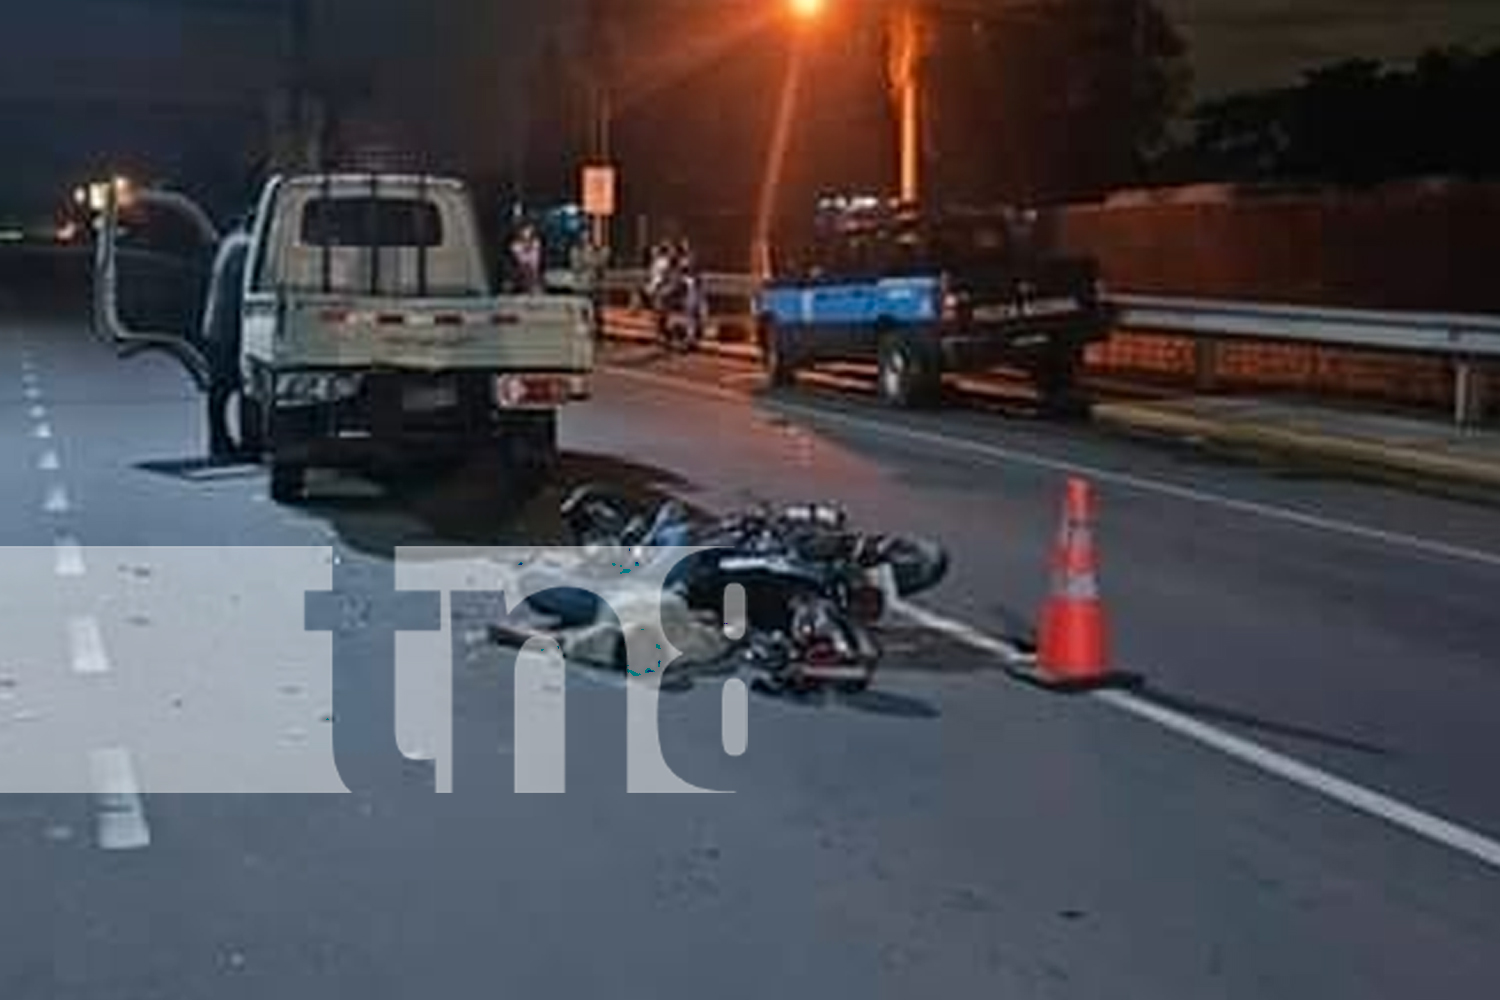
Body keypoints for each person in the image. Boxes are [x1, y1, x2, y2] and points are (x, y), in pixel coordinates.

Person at [509, 223, 543, 294]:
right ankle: (527, 285)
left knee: (533, 271)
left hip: (534, 277)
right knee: (525, 271)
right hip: (521, 277)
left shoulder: (536, 243)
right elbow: (521, 260)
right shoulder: (515, 246)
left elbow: (535, 262)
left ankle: (534, 285)